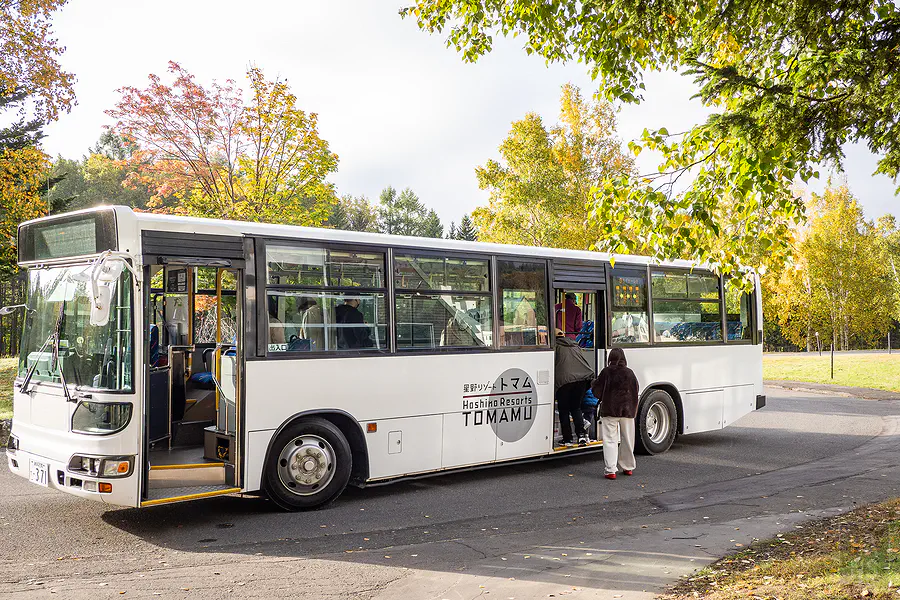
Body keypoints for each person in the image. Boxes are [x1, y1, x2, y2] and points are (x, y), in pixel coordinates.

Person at [591, 347, 640, 480]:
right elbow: (636, 390)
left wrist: (593, 383)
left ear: (610, 358)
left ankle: (611, 470)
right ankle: (628, 467)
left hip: (609, 411)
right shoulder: (630, 373)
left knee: (610, 440)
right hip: (628, 411)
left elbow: (597, 392)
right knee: (628, 439)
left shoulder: (606, 372)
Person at [554, 330, 594, 446]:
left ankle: (567, 439)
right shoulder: (575, 345)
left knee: (564, 410)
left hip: (564, 381)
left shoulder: (556, 347)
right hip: (582, 379)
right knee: (576, 408)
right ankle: (581, 436)